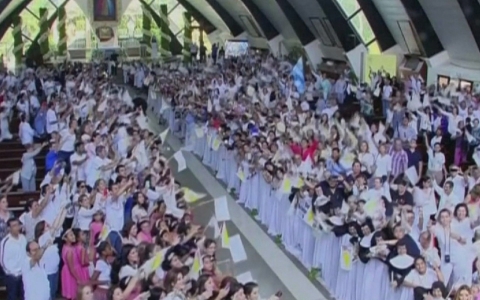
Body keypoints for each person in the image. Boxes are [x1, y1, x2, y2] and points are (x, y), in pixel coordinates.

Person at [0, 218, 27, 300]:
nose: (17, 227)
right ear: (9, 228)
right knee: (12, 297)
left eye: (18, 225)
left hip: (23, 274)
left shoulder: (23, 238)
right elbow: (2, 261)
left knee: (24, 296)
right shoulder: (6, 241)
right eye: (14, 226)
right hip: (12, 276)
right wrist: (11, 273)